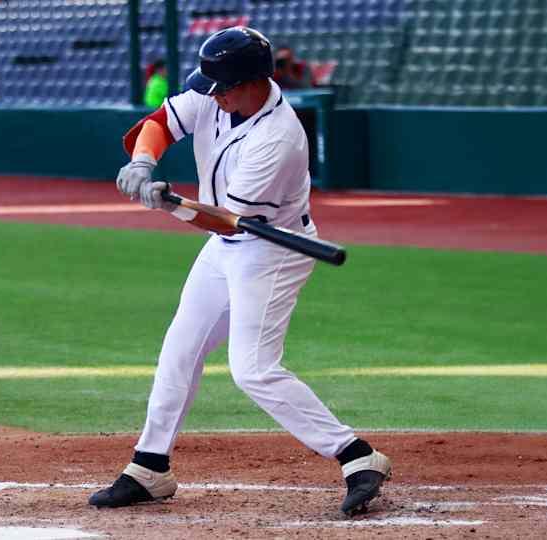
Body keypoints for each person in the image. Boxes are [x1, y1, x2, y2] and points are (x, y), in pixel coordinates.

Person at [89, 26, 391, 517]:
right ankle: (149, 468)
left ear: (251, 83)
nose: (213, 97)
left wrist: (169, 205)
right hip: (225, 240)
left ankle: (358, 458)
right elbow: (162, 120)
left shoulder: (279, 139)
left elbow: (228, 222)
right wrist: (143, 163)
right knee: (179, 349)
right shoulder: (219, 93)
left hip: (269, 251)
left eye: (222, 90)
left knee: (252, 369)